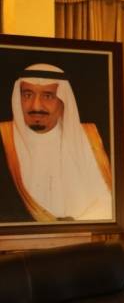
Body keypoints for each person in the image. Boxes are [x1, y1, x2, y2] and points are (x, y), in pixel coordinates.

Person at [0, 63, 112, 222]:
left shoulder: (87, 139)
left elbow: (107, 201)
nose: (36, 106)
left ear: (63, 100)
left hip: (82, 235)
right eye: (27, 95)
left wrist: (72, 227)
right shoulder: (4, 138)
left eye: (48, 96)